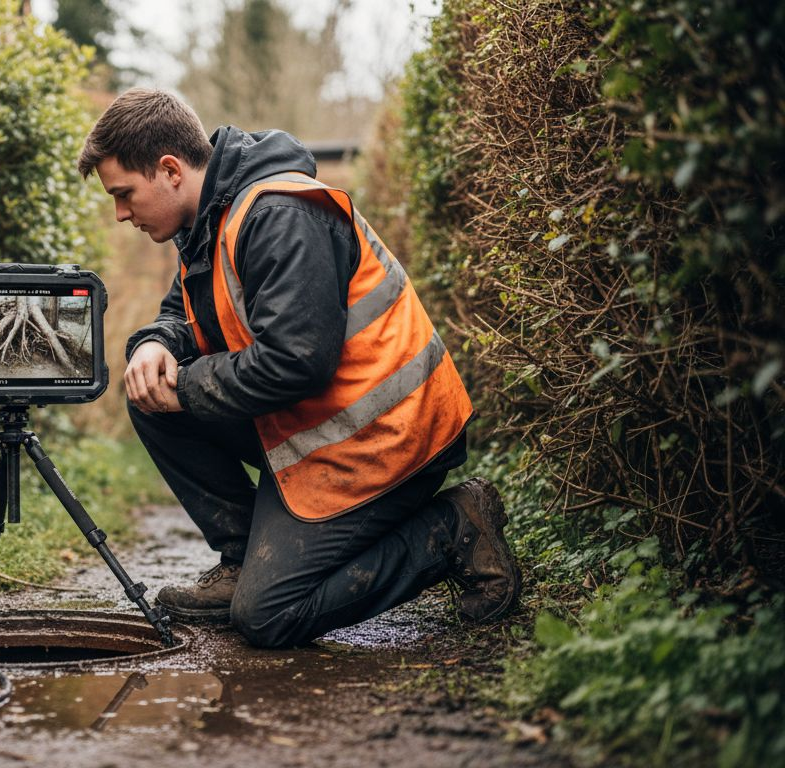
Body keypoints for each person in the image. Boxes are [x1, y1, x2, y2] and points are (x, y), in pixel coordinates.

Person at [78, 88, 522, 648]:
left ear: (169, 170)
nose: (121, 213)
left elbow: (295, 363)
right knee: (152, 393)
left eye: (124, 194)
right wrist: (152, 345)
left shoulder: (280, 215)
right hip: (327, 432)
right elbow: (185, 314)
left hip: (392, 439)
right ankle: (243, 559)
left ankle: (456, 527)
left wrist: (186, 388)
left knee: (267, 617)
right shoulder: (209, 219)